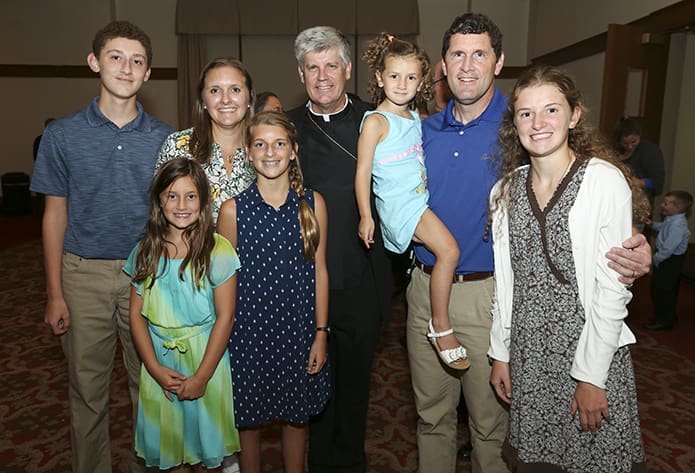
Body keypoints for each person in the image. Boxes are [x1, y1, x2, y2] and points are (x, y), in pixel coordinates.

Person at [406, 13, 653, 473]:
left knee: (492, 431)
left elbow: (592, 218)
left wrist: (635, 244)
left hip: (492, 296)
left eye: (479, 54)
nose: (467, 65)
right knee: (433, 419)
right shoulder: (418, 133)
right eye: (457, 54)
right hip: (439, 296)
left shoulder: (521, 119)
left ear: (499, 62)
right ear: (442, 64)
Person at [29, 20, 173, 472]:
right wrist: (54, 292)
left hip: (146, 277)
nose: (126, 68)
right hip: (82, 275)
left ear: (148, 73)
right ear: (94, 63)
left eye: (137, 61)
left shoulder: (166, 139)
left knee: (148, 389)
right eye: (116, 57)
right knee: (87, 392)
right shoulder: (63, 135)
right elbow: (54, 215)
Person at [488, 63, 647, 473]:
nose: (538, 123)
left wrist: (592, 376)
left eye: (551, 110)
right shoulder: (504, 191)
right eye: (526, 113)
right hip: (530, 356)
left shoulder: (603, 181)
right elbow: (507, 285)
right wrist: (501, 353)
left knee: (593, 461)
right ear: (515, 123)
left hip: (589, 350)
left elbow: (614, 287)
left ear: (574, 115)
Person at [286, 26, 393, 473]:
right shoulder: (285, 129)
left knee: (354, 387)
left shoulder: (379, 122)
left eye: (332, 65)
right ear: (301, 73)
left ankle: (350, 464)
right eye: (313, 67)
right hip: (305, 282)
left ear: (348, 69)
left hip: (363, 278)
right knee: (311, 387)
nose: (323, 76)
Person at [217, 111, 330, 473]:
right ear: (248, 153)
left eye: (279, 143)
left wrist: (321, 333)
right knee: (248, 423)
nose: (270, 152)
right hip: (247, 335)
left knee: (296, 420)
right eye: (261, 144)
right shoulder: (233, 211)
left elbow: (320, 271)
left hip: (298, 332)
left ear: (293, 150)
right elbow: (224, 283)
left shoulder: (313, 204)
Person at [356, 33, 467, 370]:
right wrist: (365, 216)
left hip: (418, 201)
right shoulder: (376, 122)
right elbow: (361, 173)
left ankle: (436, 318)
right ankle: (440, 325)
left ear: (421, 81)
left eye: (410, 77)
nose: (402, 84)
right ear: (379, 78)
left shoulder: (416, 118)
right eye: (393, 76)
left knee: (443, 251)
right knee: (450, 251)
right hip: (401, 205)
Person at [124, 158, 241, 471]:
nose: (181, 205)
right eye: (172, 196)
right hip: (160, 364)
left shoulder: (218, 251)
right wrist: (153, 368)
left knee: (207, 450)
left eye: (190, 196)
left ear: (203, 202)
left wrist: (202, 376)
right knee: (172, 451)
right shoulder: (145, 251)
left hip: (206, 361)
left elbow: (225, 317)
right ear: (159, 201)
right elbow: (136, 316)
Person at [156, 57, 256, 223]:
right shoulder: (177, 146)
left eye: (235, 90)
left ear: (250, 98)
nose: (225, 99)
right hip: (193, 248)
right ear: (203, 100)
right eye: (215, 91)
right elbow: (161, 211)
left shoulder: (267, 150)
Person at [646, 190, 692, 330]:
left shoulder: (678, 226)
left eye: (666, 203)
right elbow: (663, 227)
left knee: (663, 291)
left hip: (670, 261)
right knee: (662, 289)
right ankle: (667, 316)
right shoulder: (672, 219)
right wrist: (651, 224)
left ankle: (664, 321)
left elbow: (668, 248)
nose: (662, 205)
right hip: (666, 259)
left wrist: (655, 259)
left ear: (677, 207)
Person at [614, 117, 665, 198]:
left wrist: (634, 181)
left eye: (634, 141)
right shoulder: (615, 150)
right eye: (625, 143)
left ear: (639, 135)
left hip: (639, 198)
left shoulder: (650, 151)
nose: (630, 147)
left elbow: (657, 182)